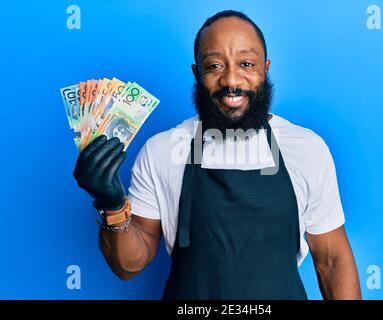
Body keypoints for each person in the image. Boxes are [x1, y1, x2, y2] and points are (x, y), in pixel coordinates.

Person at [73, 10, 361, 300]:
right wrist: (111, 205)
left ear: (265, 69)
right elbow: (128, 266)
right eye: (214, 66)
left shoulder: (306, 148)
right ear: (197, 74)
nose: (231, 80)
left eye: (246, 64)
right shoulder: (162, 150)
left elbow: (332, 261)